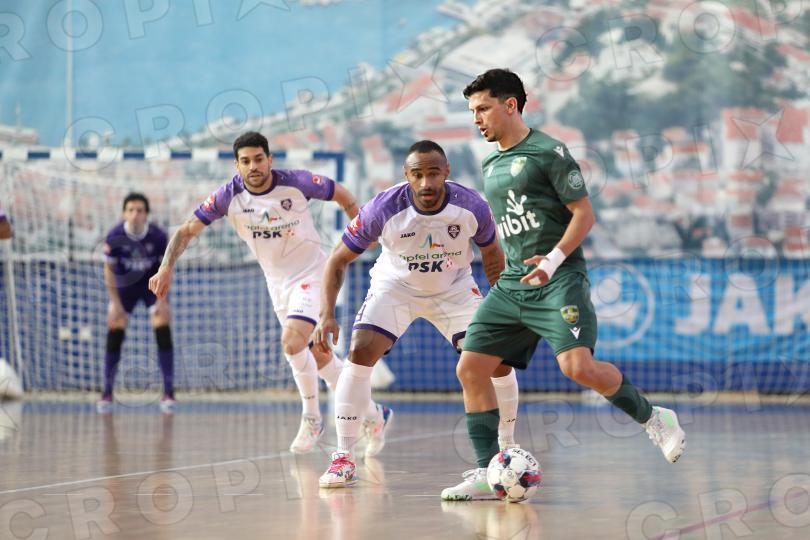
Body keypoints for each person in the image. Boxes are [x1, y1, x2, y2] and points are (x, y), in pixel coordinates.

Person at [440, 69, 686, 501]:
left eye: (483, 109)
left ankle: (654, 417)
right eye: (472, 111)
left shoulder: (548, 152)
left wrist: (552, 261)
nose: (476, 118)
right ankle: (485, 469)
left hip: (559, 279)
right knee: (470, 367)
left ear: (510, 105)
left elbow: (584, 214)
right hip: (514, 283)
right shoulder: (491, 161)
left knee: (577, 367)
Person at [148, 131, 385, 453]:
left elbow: (341, 193)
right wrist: (166, 267)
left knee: (291, 342)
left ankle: (312, 418)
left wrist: (360, 228)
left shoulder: (296, 182)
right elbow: (187, 230)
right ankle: (373, 413)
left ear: (269, 159)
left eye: (258, 159)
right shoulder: (227, 197)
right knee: (319, 356)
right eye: (245, 161)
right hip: (277, 284)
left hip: (313, 274)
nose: (253, 166)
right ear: (237, 166)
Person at [314, 140, 519, 488]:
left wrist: (503, 305)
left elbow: (492, 255)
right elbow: (337, 259)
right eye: (418, 175)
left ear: (446, 172)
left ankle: (507, 447)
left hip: (454, 290)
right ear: (406, 175)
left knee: (496, 360)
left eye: (434, 174)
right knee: (359, 352)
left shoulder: (471, 206)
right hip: (396, 288)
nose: (426, 183)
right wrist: (326, 315)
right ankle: (343, 457)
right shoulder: (383, 208)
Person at [98, 193, 175, 414]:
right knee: (115, 327)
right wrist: (115, 303)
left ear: (146, 214)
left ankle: (169, 393)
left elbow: (167, 269)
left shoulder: (158, 236)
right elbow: (109, 271)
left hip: (151, 285)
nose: (135, 215)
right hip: (125, 288)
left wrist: (162, 300)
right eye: (130, 210)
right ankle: (107, 393)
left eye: (140, 210)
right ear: (124, 213)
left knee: (162, 323)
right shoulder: (115, 235)